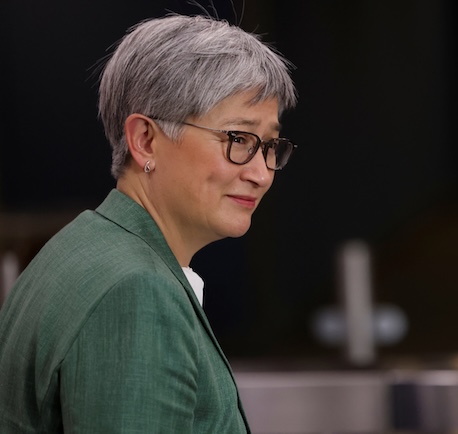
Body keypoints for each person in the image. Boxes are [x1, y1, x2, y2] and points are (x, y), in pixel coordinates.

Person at [0, 13, 297, 433]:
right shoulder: (136, 292)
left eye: (269, 146)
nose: (262, 173)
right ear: (145, 140)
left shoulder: (83, 248)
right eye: (238, 139)